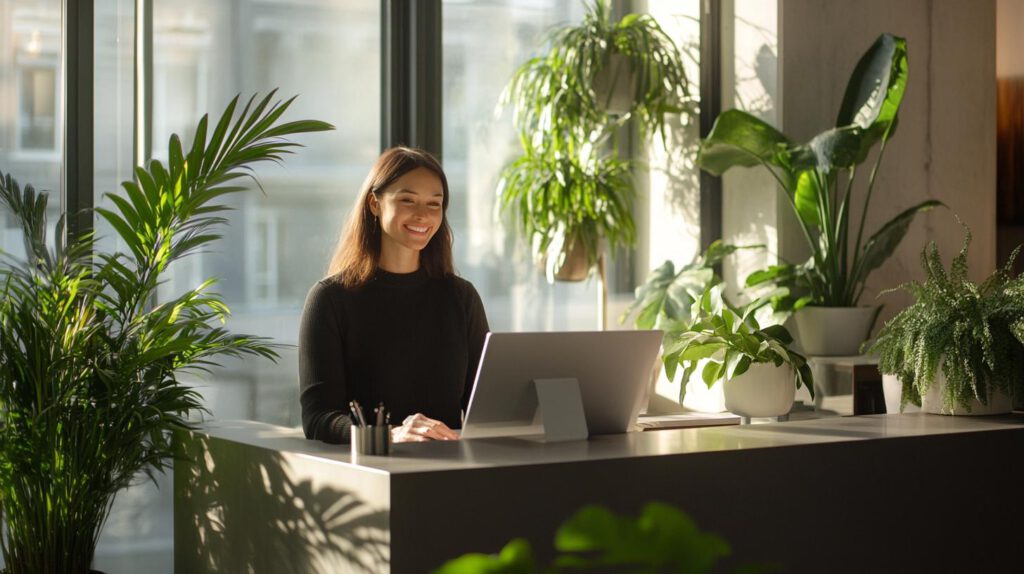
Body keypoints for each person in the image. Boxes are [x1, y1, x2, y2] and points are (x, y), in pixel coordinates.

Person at [299, 146, 489, 444]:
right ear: (375, 203)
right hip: (373, 475)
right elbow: (318, 418)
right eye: (407, 200)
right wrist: (390, 435)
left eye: (434, 204)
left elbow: (486, 408)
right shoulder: (330, 299)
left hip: (451, 474)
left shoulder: (461, 298)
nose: (423, 215)